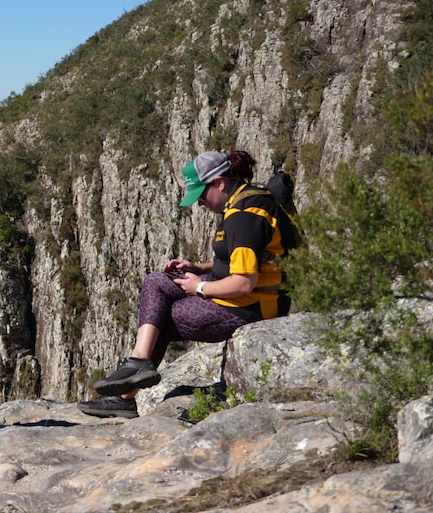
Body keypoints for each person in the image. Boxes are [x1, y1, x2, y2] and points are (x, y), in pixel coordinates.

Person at [78, 150, 287, 418]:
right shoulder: (240, 202)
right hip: (234, 290)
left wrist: (200, 287)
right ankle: (138, 362)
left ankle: (125, 397)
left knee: (161, 320)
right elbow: (244, 260)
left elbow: (244, 282)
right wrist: (198, 268)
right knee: (156, 281)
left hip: (251, 305)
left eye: (201, 195)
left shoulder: (245, 215)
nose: (200, 203)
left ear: (219, 182)